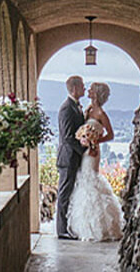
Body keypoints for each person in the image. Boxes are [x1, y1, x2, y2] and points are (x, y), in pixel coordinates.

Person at [66, 81, 123, 242]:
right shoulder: (89, 109)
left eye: (91, 89)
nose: (88, 90)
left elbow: (111, 135)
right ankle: (85, 224)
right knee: (85, 180)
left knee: (91, 179)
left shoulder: (100, 113)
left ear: (96, 94)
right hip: (85, 151)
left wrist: (95, 142)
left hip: (92, 153)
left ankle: (101, 226)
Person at [56, 75, 87, 239]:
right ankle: (61, 231)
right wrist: (84, 149)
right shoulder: (66, 108)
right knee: (64, 194)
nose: (85, 88)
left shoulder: (76, 106)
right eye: (82, 86)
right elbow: (68, 137)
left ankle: (68, 227)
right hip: (67, 158)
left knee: (70, 193)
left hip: (73, 158)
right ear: (75, 88)